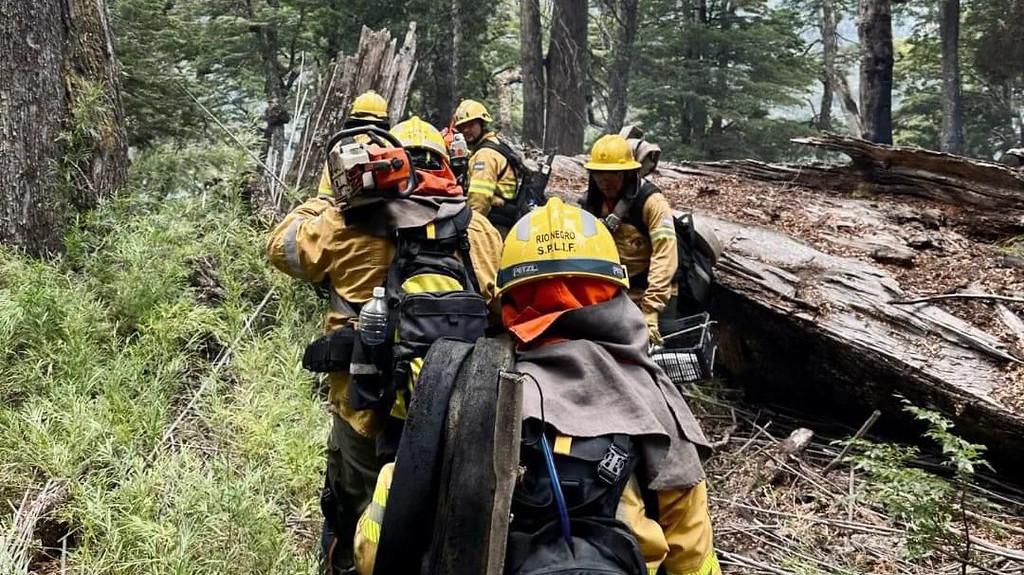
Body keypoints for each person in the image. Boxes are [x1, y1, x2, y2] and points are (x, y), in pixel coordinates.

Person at [354, 198, 721, 575]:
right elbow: (693, 558)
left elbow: (373, 554)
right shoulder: (656, 402)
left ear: (509, 299)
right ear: (614, 292)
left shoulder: (464, 385)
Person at [267, 116, 502, 575]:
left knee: (351, 513)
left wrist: (327, 198)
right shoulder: (479, 232)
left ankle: (344, 562)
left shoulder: (345, 221)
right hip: (452, 411)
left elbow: (282, 248)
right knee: (437, 522)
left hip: (362, 409)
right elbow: (499, 313)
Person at [581, 134, 678, 344]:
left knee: (661, 354)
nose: (605, 182)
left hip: (653, 293)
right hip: (615, 296)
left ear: (627, 173)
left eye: (613, 174)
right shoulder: (591, 204)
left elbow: (665, 255)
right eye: (599, 174)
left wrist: (651, 310)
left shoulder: (652, 203)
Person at [453, 99, 522, 233]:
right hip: (502, 216)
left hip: (496, 223)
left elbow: (479, 199)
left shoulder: (485, 155)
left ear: (482, 123)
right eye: (462, 127)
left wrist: (471, 229)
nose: (466, 130)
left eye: (471, 124)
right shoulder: (493, 144)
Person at [316, 91, 392, 198]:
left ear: (353, 114)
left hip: (343, 203)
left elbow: (325, 191)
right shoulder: (389, 142)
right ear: (383, 117)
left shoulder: (338, 145)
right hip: (383, 200)